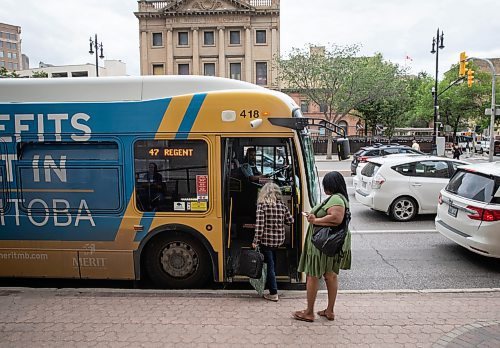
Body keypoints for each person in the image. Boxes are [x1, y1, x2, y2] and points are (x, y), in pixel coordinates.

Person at [293, 171, 351, 322]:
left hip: (322, 244)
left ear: (331, 185)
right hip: (331, 243)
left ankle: (309, 312)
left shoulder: (337, 199)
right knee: (330, 275)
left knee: (312, 275)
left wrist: (314, 220)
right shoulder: (340, 198)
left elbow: (336, 218)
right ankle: (329, 311)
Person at [252, 182, 294, 302]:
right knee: (272, 263)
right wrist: (279, 221)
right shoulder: (281, 205)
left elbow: (260, 226)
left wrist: (255, 241)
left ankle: (273, 292)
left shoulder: (262, 206)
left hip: (266, 241)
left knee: (269, 266)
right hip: (279, 240)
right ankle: (272, 284)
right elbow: (291, 220)